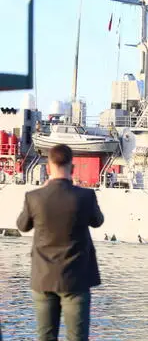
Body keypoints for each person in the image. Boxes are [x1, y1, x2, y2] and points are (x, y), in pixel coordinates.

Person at [16, 144, 104, 341]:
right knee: (77, 338)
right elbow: (98, 221)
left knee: (45, 337)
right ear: (72, 167)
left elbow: (22, 226)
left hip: (43, 278)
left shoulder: (34, 197)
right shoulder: (86, 197)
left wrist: (42, 192)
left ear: (48, 167)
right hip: (77, 279)